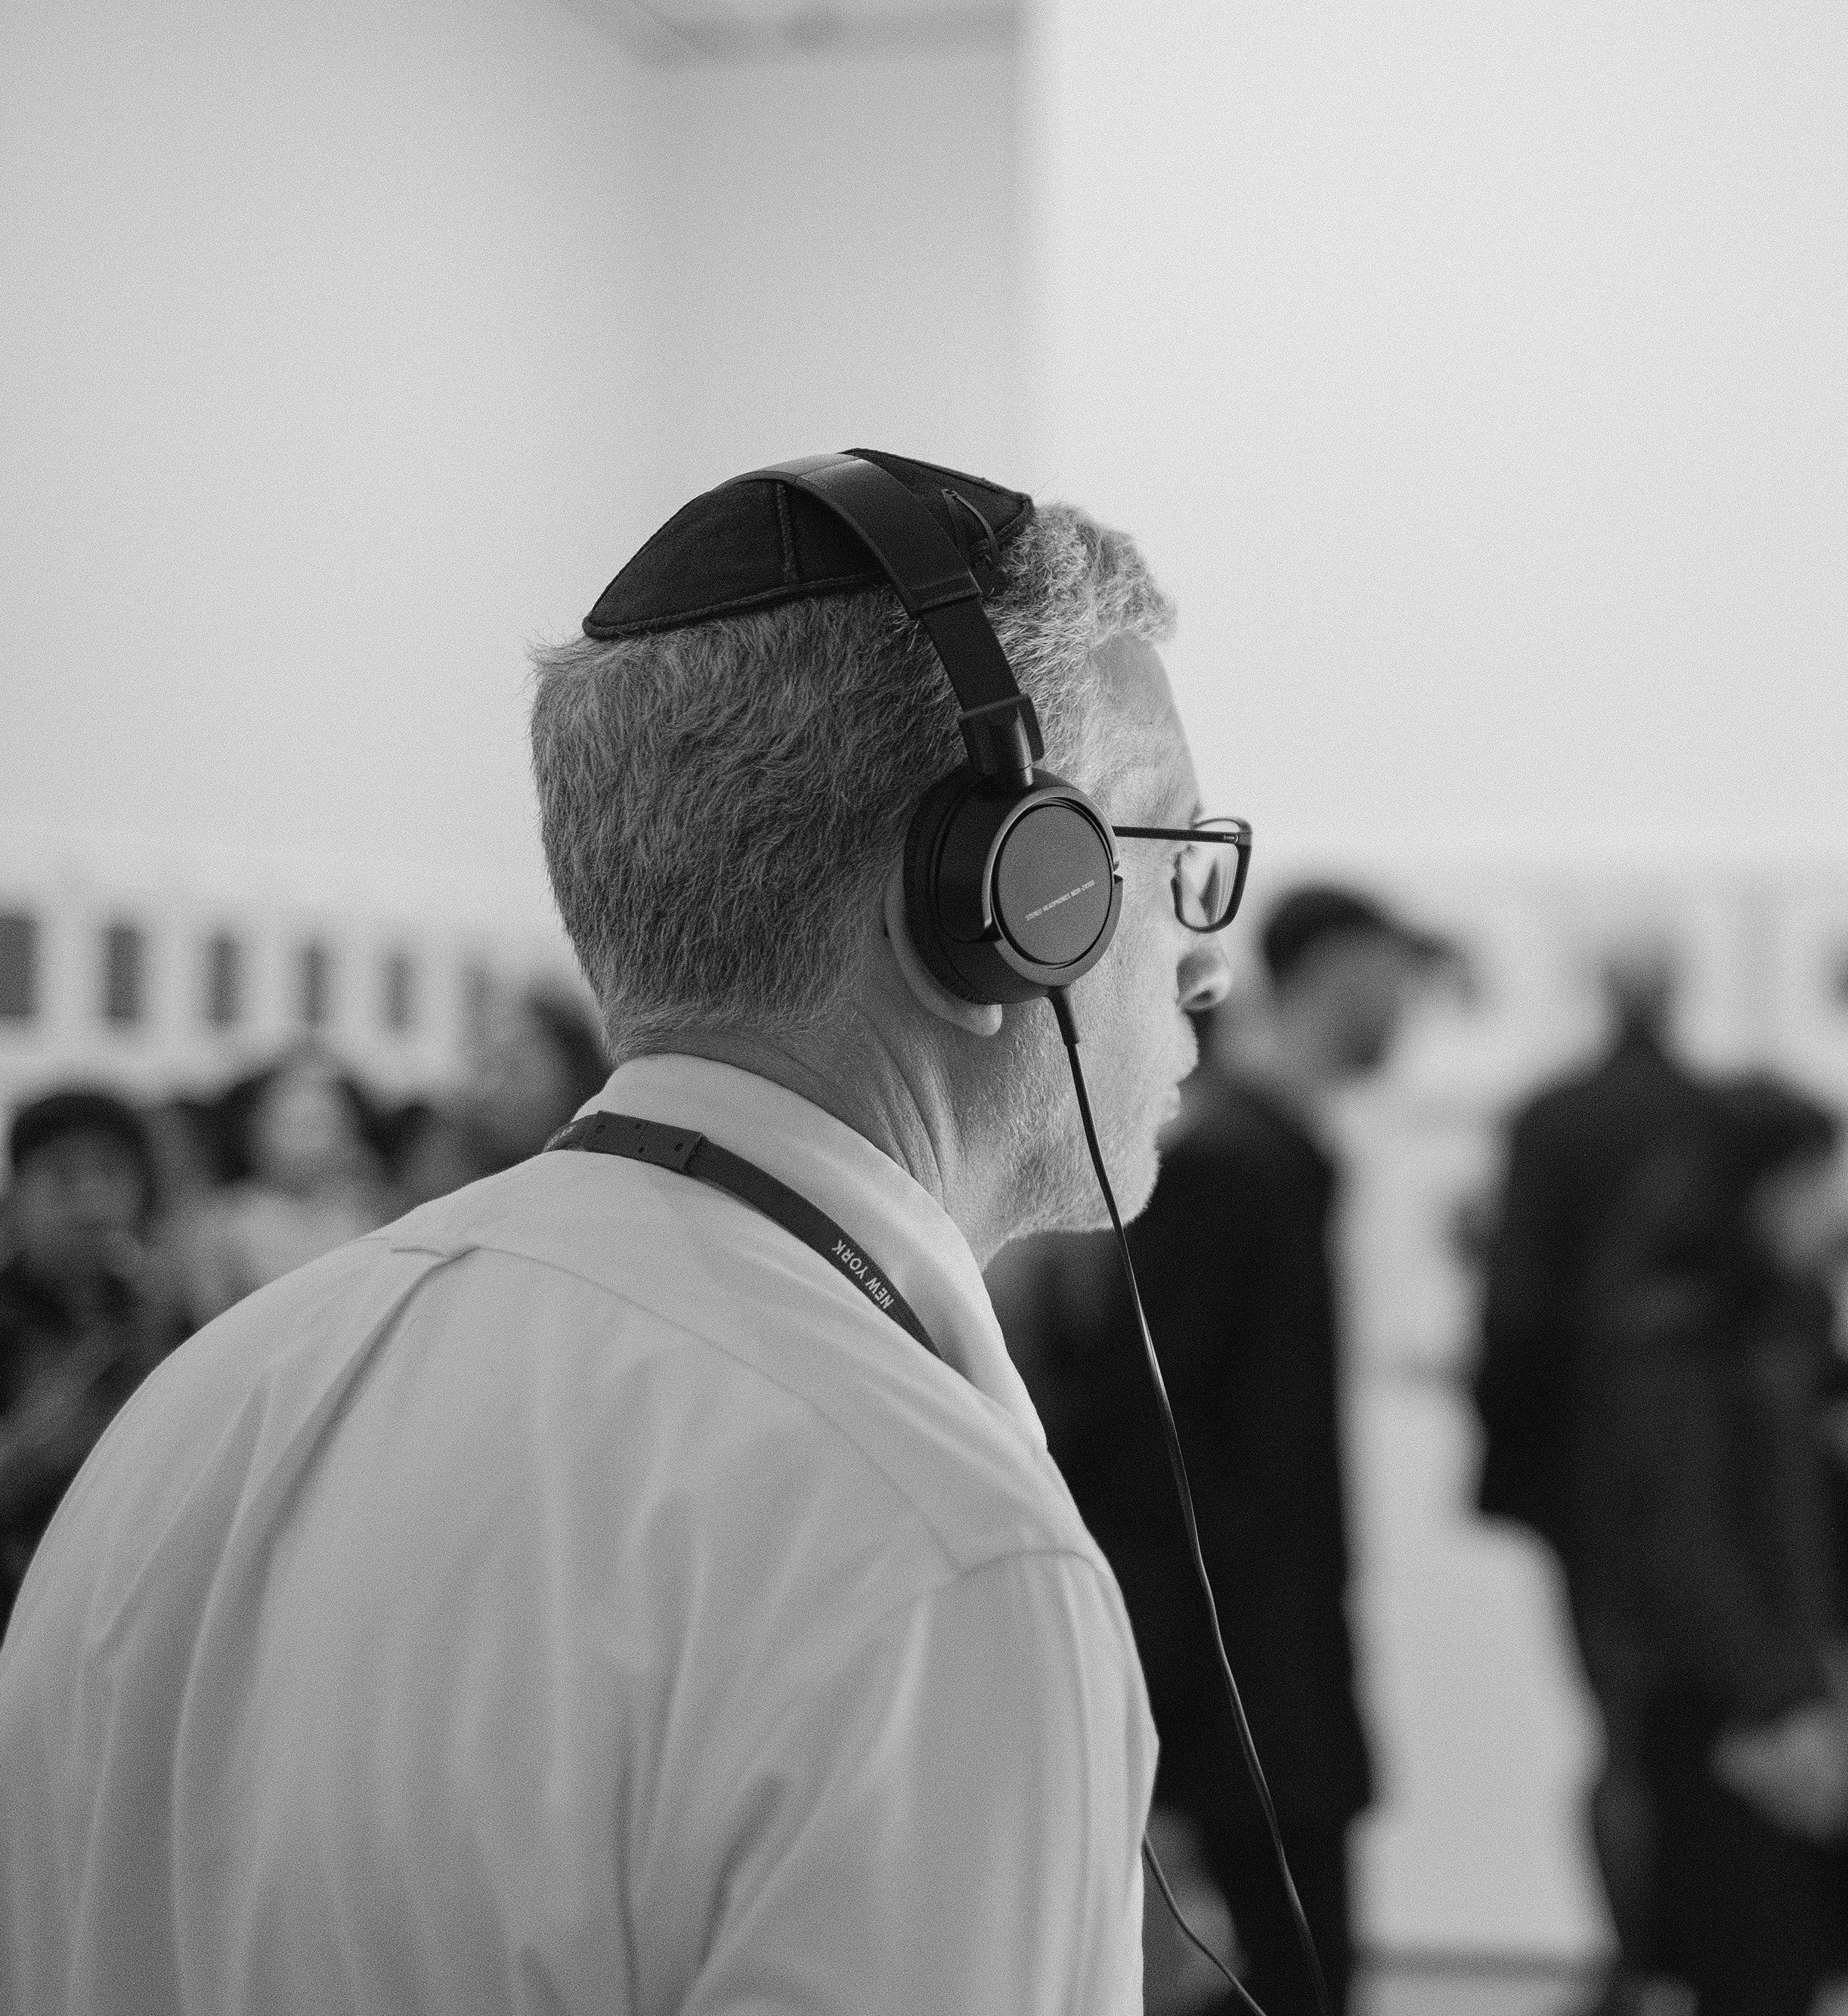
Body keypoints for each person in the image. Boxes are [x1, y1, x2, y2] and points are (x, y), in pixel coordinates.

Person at [0, 452, 1233, 2014]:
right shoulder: (934, 1557)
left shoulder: (202, 1413)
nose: (1204, 968)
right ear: (1001, 899)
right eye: (1174, 858)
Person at [1028, 883, 1447, 2016]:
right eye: (1396, 970)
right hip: (1242, 1675)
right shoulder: (1234, 1166)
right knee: (1284, 1976)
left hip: (1275, 1658)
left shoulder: (1275, 1155)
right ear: (1337, 968)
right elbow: (1144, 1432)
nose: (1408, 1001)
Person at [1582, 1077, 1848, 2016]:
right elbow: (1690, 1549)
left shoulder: (1781, 1329)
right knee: (1756, 1971)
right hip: (1721, 1707)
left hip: (1783, 1685)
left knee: (1790, 1968)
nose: (1837, 1206)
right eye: (1817, 1181)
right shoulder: (1678, 1342)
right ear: (1754, 1192)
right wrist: (1783, 1702)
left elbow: (1835, 1518)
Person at [1473, 929, 1720, 2014]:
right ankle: (1685, 1951)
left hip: (1586, 1476)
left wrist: (1505, 1458)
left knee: (1619, 1727)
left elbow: (1517, 1307)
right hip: (1694, 1471)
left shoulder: (1554, 1119)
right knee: (1684, 1718)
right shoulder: (1714, 1119)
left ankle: (1640, 1956)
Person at [0, 1088, 190, 1634]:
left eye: (110, 1174)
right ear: (17, 1197)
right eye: (63, 1177)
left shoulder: (165, 1315)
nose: (90, 1203)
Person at [178, 1044, 398, 1316]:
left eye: (323, 1123)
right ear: (253, 1130)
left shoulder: (365, 1217)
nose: (310, 1142)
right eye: (293, 1123)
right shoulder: (226, 1222)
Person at [397, 983, 614, 1200]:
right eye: (487, 1065)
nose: (492, 1087)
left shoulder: (599, 1176)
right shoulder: (449, 1153)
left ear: (572, 1074)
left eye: (515, 1069)